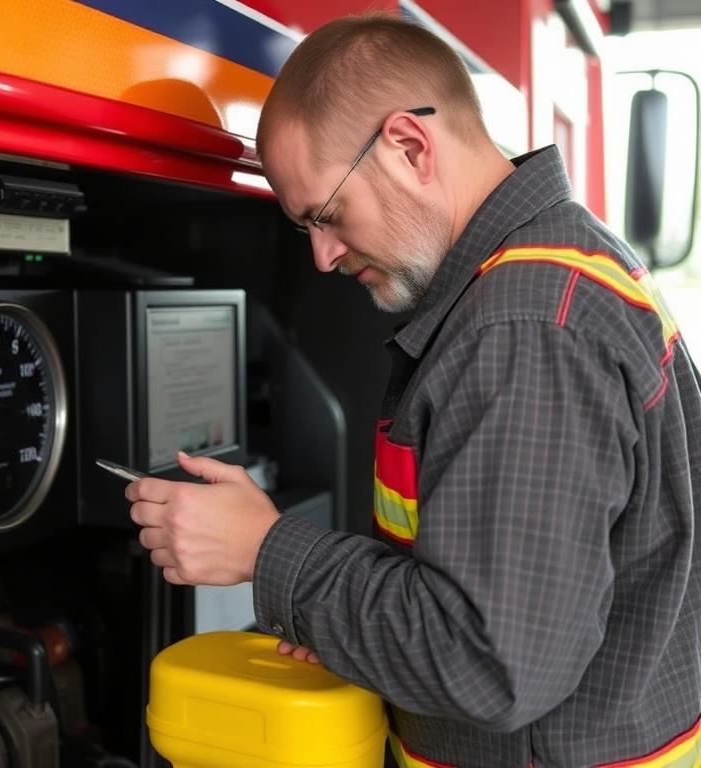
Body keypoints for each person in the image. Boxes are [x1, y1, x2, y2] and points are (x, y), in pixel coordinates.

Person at [125, 13, 701, 768]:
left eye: (327, 216)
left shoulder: (524, 330)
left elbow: (491, 665)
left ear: (409, 146)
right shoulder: (556, 266)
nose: (324, 257)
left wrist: (265, 551)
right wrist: (342, 619)